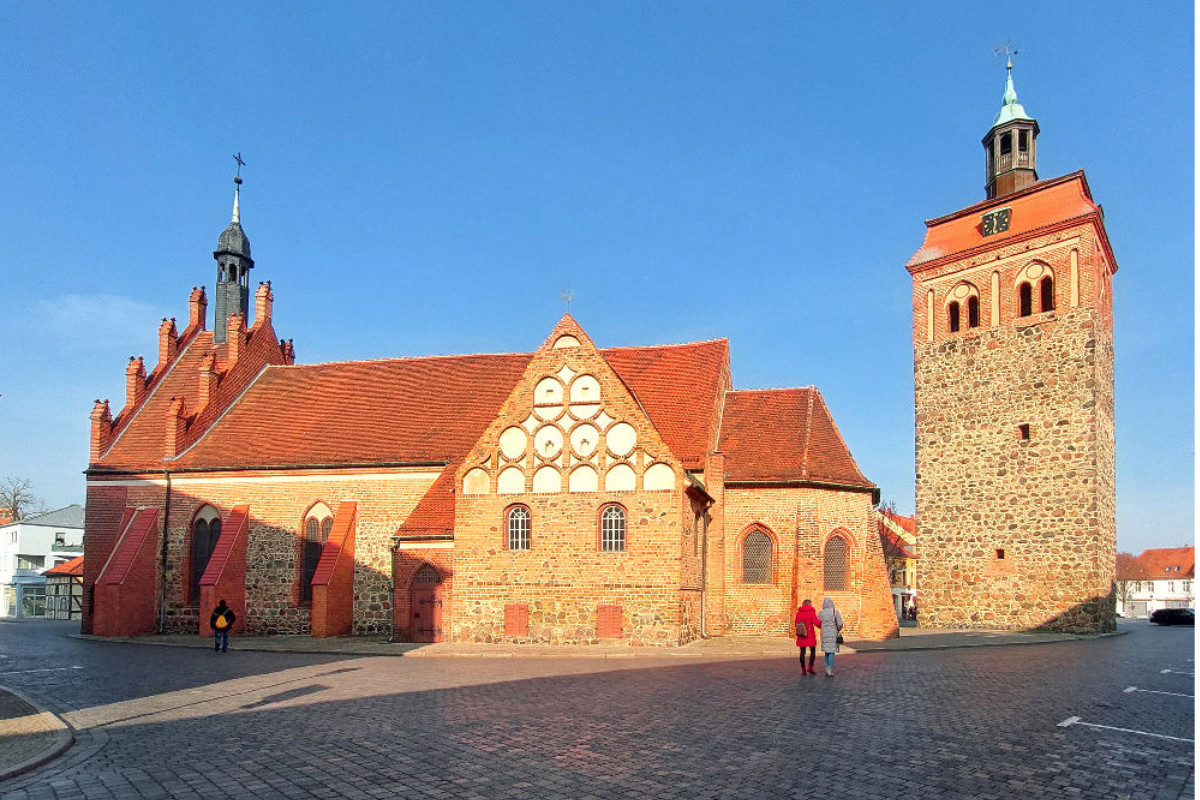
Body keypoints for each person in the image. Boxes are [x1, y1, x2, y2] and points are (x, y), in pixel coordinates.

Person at [817, 597, 844, 677]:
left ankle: (827, 667)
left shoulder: (821, 612)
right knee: (831, 651)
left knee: (827, 651)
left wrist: (823, 628)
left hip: (824, 634)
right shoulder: (835, 612)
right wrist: (838, 629)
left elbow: (819, 623)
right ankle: (829, 669)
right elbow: (840, 623)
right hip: (833, 633)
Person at [794, 599, 820, 675]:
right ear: (810, 605)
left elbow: (796, 623)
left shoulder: (798, 613)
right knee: (812, 651)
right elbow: (817, 623)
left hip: (801, 634)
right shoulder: (811, 612)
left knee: (802, 652)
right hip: (810, 634)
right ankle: (810, 666)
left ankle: (803, 669)